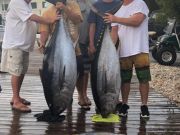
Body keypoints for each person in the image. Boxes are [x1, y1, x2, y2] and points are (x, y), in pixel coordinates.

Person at [0, 0, 60, 113]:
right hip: (15, 45)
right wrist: (50, 20)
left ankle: (16, 97)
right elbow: (32, 17)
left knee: (21, 71)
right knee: (16, 72)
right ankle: (16, 101)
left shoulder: (25, 4)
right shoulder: (17, 2)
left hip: (23, 46)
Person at [104, 0, 151, 118]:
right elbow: (114, 33)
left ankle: (144, 106)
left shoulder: (140, 3)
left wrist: (116, 19)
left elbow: (137, 21)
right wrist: (110, 49)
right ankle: (124, 104)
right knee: (125, 80)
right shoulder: (117, 9)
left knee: (143, 79)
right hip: (123, 51)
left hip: (140, 49)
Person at [38, 0, 85, 108]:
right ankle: (68, 97)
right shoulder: (47, 13)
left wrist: (64, 8)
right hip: (57, 53)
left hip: (75, 48)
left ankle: (81, 95)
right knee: (56, 74)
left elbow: (77, 20)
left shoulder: (73, 5)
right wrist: (42, 42)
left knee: (80, 72)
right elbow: (44, 31)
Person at [88, 0, 121, 113]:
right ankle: (108, 101)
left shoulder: (120, 3)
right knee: (100, 73)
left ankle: (116, 99)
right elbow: (92, 25)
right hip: (98, 45)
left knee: (114, 71)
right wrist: (91, 43)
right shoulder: (96, 5)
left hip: (118, 41)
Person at [76, 0, 98, 109]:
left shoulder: (94, 2)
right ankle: (76, 95)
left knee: (85, 70)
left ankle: (84, 94)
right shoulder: (70, 2)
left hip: (86, 41)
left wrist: (91, 42)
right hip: (73, 42)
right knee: (74, 70)